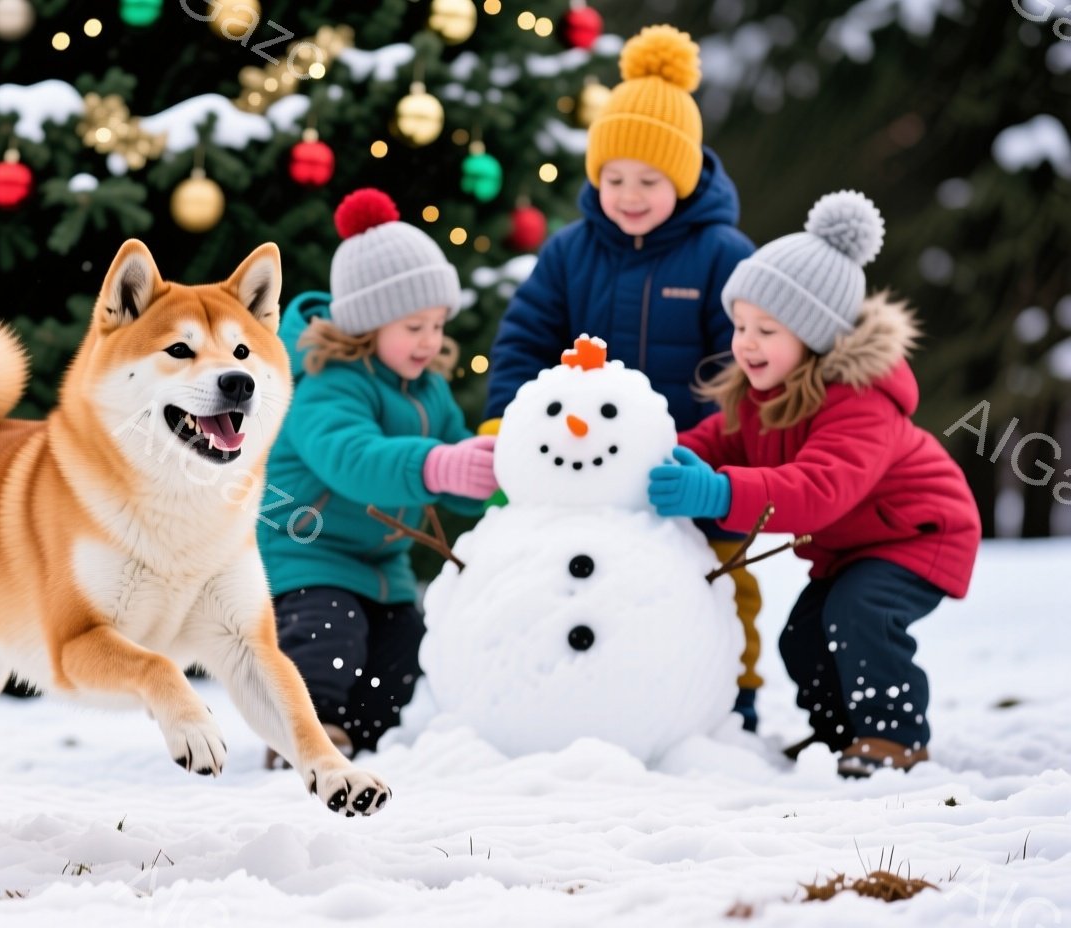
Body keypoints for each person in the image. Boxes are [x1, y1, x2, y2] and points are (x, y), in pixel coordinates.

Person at [481, 24, 763, 728]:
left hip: (687, 463)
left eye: (649, 180)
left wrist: (712, 448)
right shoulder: (570, 252)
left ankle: (735, 691)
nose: (629, 195)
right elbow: (523, 339)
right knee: (589, 575)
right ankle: (588, 693)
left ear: (685, 176)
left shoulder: (722, 253)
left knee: (716, 576)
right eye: (614, 179)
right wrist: (505, 423)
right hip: (584, 464)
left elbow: (744, 365)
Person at [648, 190, 981, 777]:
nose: (745, 342)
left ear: (816, 337)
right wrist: (654, 455)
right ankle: (839, 737)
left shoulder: (860, 402)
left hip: (918, 533)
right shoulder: (759, 397)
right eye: (740, 324)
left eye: (766, 329)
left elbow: (818, 489)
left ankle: (894, 737)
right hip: (853, 546)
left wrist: (719, 494)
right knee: (801, 639)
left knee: (861, 614)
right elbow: (712, 441)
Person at [258, 187, 496, 763]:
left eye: (438, 324)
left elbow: (459, 460)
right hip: (307, 547)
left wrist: (499, 475)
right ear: (368, 323)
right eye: (414, 325)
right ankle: (303, 734)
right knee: (326, 639)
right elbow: (353, 459)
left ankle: (355, 736)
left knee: (401, 655)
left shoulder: (430, 390)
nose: (431, 340)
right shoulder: (327, 381)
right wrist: (439, 466)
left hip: (380, 563)